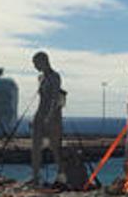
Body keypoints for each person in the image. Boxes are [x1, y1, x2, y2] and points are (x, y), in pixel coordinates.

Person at [30, 51, 87, 188]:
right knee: (36, 147)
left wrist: (49, 117)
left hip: (53, 117)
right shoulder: (40, 77)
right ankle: (35, 177)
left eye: (36, 63)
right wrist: (36, 117)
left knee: (55, 148)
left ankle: (62, 177)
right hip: (40, 114)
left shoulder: (55, 77)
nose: (34, 66)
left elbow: (55, 98)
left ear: (44, 61)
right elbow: (41, 100)